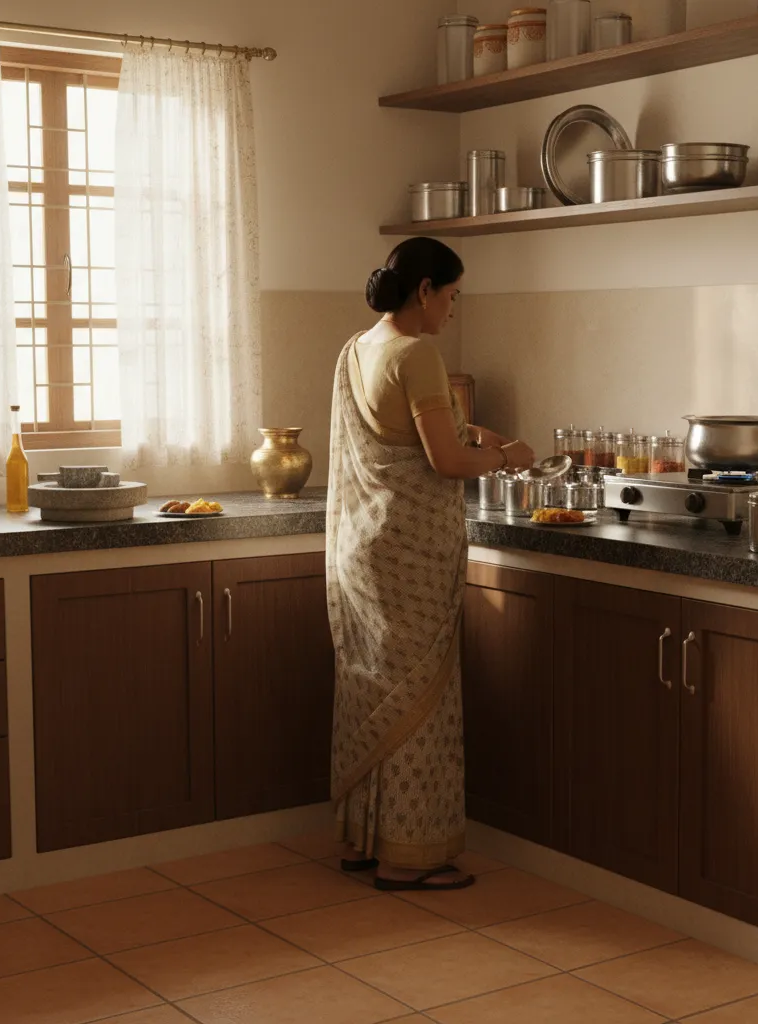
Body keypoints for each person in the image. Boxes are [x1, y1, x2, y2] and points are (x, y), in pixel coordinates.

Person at [327, 237, 535, 891]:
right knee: (422, 698)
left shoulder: (358, 348)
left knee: (372, 689)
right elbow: (444, 462)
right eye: (450, 295)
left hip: (364, 550)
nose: (452, 309)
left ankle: (363, 842)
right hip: (409, 553)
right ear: (425, 291)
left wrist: (477, 435)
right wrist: (509, 458)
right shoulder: (418, 352)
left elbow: (411, 435)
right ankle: (407, 856)